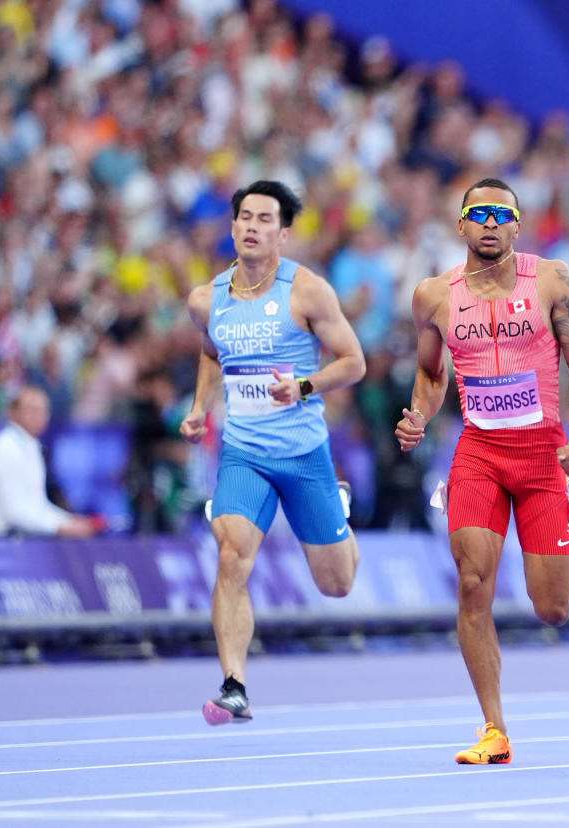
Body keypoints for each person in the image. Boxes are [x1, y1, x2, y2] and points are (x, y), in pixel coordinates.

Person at [395, 177, 569, 764]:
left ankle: (564, 539)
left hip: (542, 454)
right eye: (477, 213)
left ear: (517, 225)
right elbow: (433, 377)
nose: (489, 222)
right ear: (461, 225)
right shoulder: (433, 296)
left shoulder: (553, 281)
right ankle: (495, 729)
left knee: (552, 607)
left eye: (500, 214)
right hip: (479, 452)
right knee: (471, 582)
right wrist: (419, 416)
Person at [180, 180, 367, 726]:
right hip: (243, 452)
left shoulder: (307, 292)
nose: (252, 227)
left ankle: (338, 507)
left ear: (283, 234)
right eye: (244, 217)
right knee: (231, 554)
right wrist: (199, 408)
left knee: (337, 584)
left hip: (304, 453)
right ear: (232, 226)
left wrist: (305, 386)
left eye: (265, 219)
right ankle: (234, 683)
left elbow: (354, 362)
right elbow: (213, 354)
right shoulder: (205, 299)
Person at [0, 385, 105, 537]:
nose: (40, 416)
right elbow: (14, 511)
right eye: (33, 409)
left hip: (22, 539)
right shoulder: (6, 449)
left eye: (44, 410)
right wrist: (60, 526)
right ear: (14, 412)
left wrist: (69, 521)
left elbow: (37, 505)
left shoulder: (31, 446)